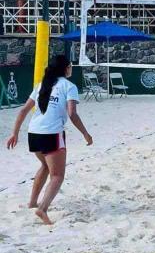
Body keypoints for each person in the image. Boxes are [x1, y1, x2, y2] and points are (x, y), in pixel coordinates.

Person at [5, 55, 93, 225]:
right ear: (66, 68)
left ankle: (32, 202)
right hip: (52, 134)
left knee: (45, 166)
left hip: (33, 133)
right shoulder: (69, 86)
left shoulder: (41, 85)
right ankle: (42, 209)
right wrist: (85, 133)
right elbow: (72, 114)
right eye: (71, 66)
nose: (71, 68)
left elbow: (23, 110)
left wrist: (14, 133)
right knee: (58, 175)